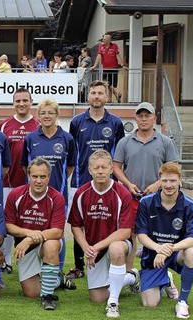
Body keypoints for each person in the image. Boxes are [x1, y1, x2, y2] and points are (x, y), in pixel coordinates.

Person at [113, 101, 180, 299]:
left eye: (147, 116)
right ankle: (129, 275)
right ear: (136, 118)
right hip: (132, 197)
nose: (143, 119)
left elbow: (173, 170)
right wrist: (127, 184)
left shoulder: (165, 142)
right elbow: (116, 167)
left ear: (154, 118)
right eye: (140, 116)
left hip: (157, 198)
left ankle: (164, 277)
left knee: (157, 236)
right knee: (131, 235)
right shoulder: (125, 142)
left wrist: (157, 185)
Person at [68, 149, 138, 318]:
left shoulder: (122, 193)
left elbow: (125, 231)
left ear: (111, 170)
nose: (100, 171)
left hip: (117, 245)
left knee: (116, 249)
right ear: (89, 170)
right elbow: (76, 226)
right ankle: (131, 277)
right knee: (97, 297)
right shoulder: (81, 193)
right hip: (93, 250)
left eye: (104, 167)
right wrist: (87, 248)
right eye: (96, 167)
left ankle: (113, 302)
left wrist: (96, 247)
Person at [67, 80, 125, 279]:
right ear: (88, 96)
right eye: (93, 93)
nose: (97, 96)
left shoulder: (116, 123)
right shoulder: (77, 122)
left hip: (108, 183)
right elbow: (73, 152)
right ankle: (78, 265)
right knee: (79, 223)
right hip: (80, 180)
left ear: (106, 97)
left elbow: (118, 156)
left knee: (107, 221)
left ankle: (108, 260)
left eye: (100, 93)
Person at [136, 162, 193, 319]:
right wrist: (158, 248)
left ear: (180, 180)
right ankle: (167, 280)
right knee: (149, 303)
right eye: (164, 181)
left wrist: (169, 249)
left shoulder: (191, 206)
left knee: (192, 253)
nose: (168, 185)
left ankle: (182, 302)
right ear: (159, 180)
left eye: (172, 180)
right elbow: (141, 235)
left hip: (176, 253)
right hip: (154, 255)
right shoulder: (146, 202)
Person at [21, 98, 76, 271]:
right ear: (38, 116)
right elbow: (26, 166)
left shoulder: (67, 138)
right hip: (34, 196)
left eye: (50, 112)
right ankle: (35, 267)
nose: (47, 116)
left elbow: (70, 166)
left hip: (58, 195)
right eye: (43, 113)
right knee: (36, 228)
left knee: (56, 232)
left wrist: (54, 183)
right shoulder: (30, 138)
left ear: (57, 115)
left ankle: (58, 270)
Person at [5, 158, 66, 310]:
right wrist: (30, 235)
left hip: (47, 242)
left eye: (43, 177)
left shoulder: (57, 197)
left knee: (52, 245)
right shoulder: (15, 195)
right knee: (31, 293)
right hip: (25, 249)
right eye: (35, 176)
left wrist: (29, 239)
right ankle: (58, 279)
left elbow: (58, 231)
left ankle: (47, 297)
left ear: (49, 177)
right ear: (28, 176)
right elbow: (8, 226)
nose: (38, 181)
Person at [0, 88, 40, 270]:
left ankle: (30, 262)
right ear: (13, 103)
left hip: (33, 186)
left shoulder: (38, 124)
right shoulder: (4, 125)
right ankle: (6, 261)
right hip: (8, 183)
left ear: (31, 102)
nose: (21, 104)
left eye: (25, 100)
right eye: (18, 101)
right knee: (7, 223)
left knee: (31, 222)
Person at [90, 34, 128, 103]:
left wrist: (122, 65)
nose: (103, 41)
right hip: (105, 68)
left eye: (104, 39)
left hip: (114, 67)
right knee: (106, 83)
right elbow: (99, 56)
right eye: (103, 39)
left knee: (111, 84)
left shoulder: (114, 46)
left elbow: (117, 56)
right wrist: (95, 66)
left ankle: (110, 99)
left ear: (109, 40)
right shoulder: (101, 46)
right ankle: (116, 94)